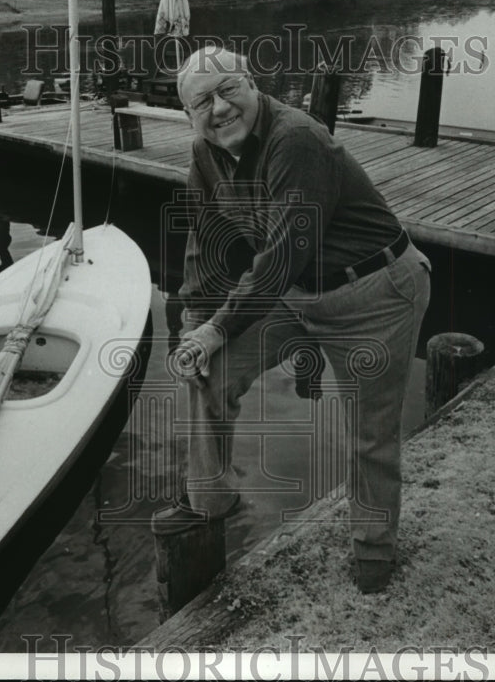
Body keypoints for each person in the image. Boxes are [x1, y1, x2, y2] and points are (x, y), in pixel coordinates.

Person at [151, 47, 431, 594]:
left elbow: (280, 258)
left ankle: (373, 555)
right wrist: (194, 325)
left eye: (228, 89)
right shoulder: (204, 153)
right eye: (202, 101)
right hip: (297, 293)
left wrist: (216, 327)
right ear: (189, 115)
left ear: (252, 84)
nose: (219, 108)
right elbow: (203, 246)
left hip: (374, 291)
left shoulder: (296, 139)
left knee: (369, 434)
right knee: (211, 370)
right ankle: (209, 500)